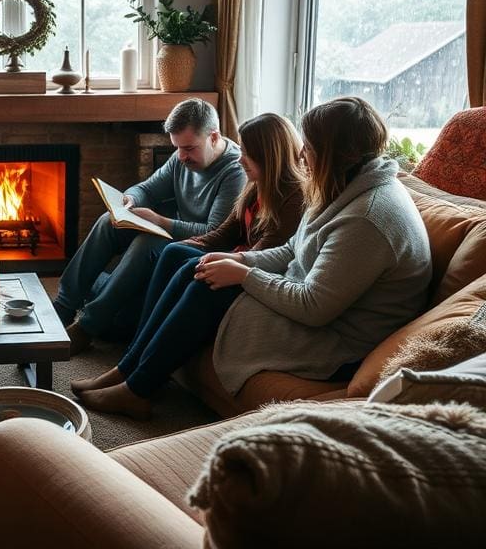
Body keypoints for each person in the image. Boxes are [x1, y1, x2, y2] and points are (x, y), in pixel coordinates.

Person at [83, 97, 432, 419]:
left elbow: (315, 307)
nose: (301, 157)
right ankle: (129, 368)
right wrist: (234, 262)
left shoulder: (367, 219)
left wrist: (244, 275)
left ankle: (138, 389)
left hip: (338, 340)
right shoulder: (342, 187)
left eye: (308, 149)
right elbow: (293, 249)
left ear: (330, 154)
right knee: (195, 263)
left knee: (209, 287)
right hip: (308, 299)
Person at [71, 112, 305, 418]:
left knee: (193, 274)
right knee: (172, 254)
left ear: (270, 157)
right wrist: (182, 248)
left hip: (252, 275)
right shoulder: (254, 186)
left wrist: (208, 255)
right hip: (235, 259)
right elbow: (222, 234)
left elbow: (265, 256)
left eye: (248, 155)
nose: (240, 159)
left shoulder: (293, 198)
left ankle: (138, 387)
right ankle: (127, 365)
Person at [54, 98, 247, 353]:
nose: (181, 156)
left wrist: (160, 221)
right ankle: (63, 308)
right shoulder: (182, 157)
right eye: (177, 147)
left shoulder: (234, 171)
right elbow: (147, 188)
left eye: (189, 148)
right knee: (107, 221)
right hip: (174, 233)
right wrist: (130, 199)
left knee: (149, 242)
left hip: (200, 249)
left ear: (214, 137)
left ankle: (87, 327)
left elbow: (215, 233)